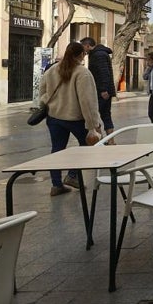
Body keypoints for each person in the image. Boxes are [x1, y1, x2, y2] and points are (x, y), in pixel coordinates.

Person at [39, 41, 104, 197]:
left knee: (56, 150)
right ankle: (72, 175)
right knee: (86, 146)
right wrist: (93, 124)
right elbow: (87, 101)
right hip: (75, 118)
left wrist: (48, 104)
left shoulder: (52, 70)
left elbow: (42, 91)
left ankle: (56, 185)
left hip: (54, 117)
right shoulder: (82, 73)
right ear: (81, 55)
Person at [80, 37, 116, 135]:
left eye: (83, 47)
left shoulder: (99, 55)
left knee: (95, 115)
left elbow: (104, 73)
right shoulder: (97, 54)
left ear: (87, 46)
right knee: (105, 115)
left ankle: (101, 138)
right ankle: (109, 140)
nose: (83, 50)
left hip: (102, 91)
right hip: (102, 90)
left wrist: (104, 90)